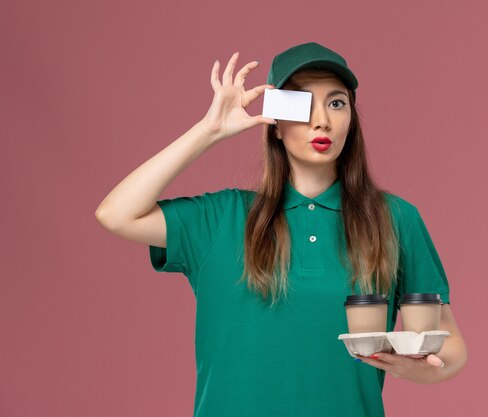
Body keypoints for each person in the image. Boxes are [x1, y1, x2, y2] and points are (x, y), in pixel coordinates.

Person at [95, 41, 468, 417]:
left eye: (337, 103)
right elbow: (116, 214)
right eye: (302, 103)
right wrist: (209, 130)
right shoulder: (222, 217)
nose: (322, 120)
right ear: (274, 122)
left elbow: (450, 347)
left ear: (351, 120)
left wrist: (416, 370)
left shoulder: (394, 218)